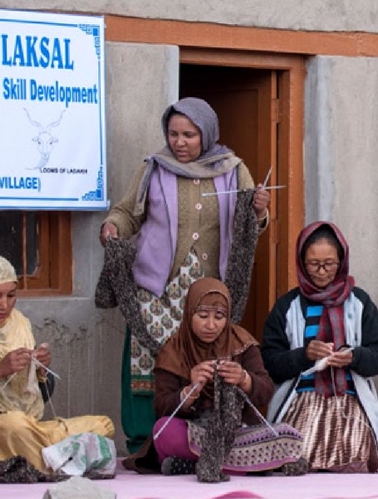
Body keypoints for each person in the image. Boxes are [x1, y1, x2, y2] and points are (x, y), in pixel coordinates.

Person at [99, 97, 270, 452]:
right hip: (155, 288)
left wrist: (259, 212)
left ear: (206, 135)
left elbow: (250, 227)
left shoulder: (233, 170)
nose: (179, 142)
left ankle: (194, 440)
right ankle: (142, 441)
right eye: (174, 134)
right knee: (148, 360)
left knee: (201, 363)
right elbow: (127, 213)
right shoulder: (154, 168)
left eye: (189, 135)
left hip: (205, 291)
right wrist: (112, 227)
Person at [0, 254, 115, 470]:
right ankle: (61, 458)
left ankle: (51, 456)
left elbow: (39, 398)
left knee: (103, 424)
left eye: (11, 295)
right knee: (14, 426)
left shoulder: (18, 325)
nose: (4, 305)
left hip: (29, 426)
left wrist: (40, 372)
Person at [262, 222, 378, 473]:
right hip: (301, 400)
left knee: (353, 459)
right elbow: (269, 362)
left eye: (329, 263)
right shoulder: (288, 307)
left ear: (341, 261)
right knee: (297, 452)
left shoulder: (360, 303)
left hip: (349, 401)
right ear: (301, 263)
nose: (321, 271)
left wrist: (354, 356)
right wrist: (303, 356)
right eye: (313, 264)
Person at [148, 277, 303, 476]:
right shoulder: (174, 350)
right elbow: (161, 406)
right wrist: (190, 390)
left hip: (237, 433)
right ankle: (249, 466)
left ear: (228, 316)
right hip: (194, 431)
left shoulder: (242, 343)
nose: (211, 325)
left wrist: (244, 379)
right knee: (164, 431)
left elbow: (266, 391)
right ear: (189, 313)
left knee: (287, 434)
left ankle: (197, 465)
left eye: (219, 317)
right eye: (203, 316)